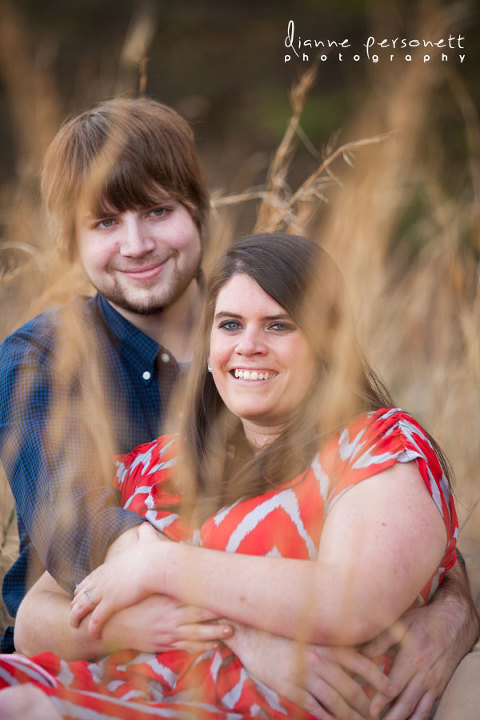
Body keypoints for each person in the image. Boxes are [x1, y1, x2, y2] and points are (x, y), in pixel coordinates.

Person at [0, 98, 477, 718]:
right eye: (104, 223)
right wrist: (246, 638)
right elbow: (79, 541)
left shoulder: (272, 341)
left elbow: (401, 529)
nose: (137, 244)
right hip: (105, 651)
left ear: (198, 210)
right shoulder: (45, 361)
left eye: (157, 211)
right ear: (72, 241)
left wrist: (455, 610)